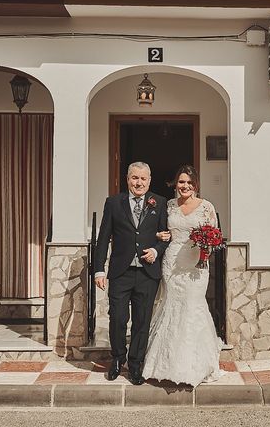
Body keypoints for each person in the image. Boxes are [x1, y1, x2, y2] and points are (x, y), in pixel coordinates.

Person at [143, 165, 223, 386]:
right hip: (171, 263)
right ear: (175, 184)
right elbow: (159, 232)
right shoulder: (168, 206)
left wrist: (206, 248)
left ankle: (193, 365)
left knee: (192, 307)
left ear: (195, 184)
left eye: (189, 182)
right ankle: (165, 362)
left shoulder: (206, 207)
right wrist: (160, 234)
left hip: (196, 264)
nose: (184, 186)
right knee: (171, 306)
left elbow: (215, 236)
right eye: (181, 182)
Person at [94, 161, 169, 385]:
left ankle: (136, 364)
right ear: (127, 179)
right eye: (134, 178)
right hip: (120, 272)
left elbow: (166, 236)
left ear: (149, 181)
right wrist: (99, 269)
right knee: (117, 318)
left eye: (143, 179)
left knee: (142, 321)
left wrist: (156, 250)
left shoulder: (160, 203)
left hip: (147, 274)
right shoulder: (114, 203)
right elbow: (103, 237)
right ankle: (117, 359)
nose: (138, 182)